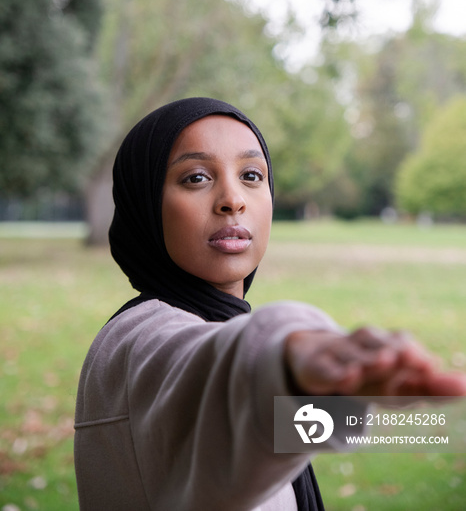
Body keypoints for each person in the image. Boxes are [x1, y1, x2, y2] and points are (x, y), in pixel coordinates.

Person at [74, 97, 466, 511]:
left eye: (250, 175)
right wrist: (288, 357)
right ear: (145, 204)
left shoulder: (208, 327)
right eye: (196, 177)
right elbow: (209, 372)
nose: (232, 199)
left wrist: (333, 396)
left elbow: (268, 436)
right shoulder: (139, 340)